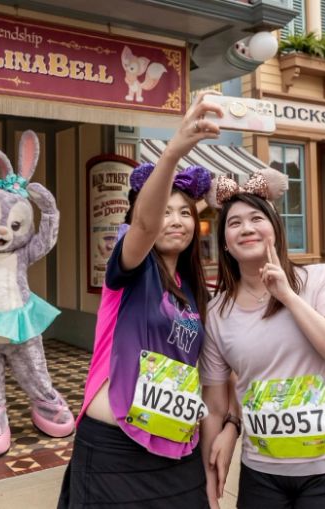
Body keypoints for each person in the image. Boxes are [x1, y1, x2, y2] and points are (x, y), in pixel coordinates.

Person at [57, 91, 225, 509]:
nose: (176, 220)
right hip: (116, 450)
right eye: (165, 211)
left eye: (185, 213)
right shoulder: (130, 265)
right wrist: (172, 153)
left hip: (176, 446)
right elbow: (144, 226)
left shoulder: (193, 289)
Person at [199, 176, 325, 509]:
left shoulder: (318, 280)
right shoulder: (217, 312)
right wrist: (208, 478)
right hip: (263, 474)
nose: (246, 228)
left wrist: (288, 297)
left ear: (275, 229)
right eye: (234, 223)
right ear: (225, 243)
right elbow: (215, 405)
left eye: (256, 218)